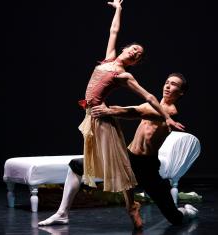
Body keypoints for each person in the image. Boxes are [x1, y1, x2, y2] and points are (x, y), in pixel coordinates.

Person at [73, 0, 184, 229]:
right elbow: (113, 31)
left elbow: (148, 99)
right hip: (99, 123)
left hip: (142, 159)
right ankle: (130, 206)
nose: (135, 52)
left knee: (171, 214)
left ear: (136, 62)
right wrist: (119, 9)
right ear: (124, 49)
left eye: (138, 55)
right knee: (98, 166)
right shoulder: (108, 60)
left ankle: (180, 213)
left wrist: (167, 118)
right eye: (133, 49)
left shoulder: (124, 76)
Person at [38, 73, 198, 228]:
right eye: (167, 82)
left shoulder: (170, 112)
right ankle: (62, 213)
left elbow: (137, 112)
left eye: (174, 84)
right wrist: (99, 106)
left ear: (181, 92)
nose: (168, 86)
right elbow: (129, 108)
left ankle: (187, 211)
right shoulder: (153, 104)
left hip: (147, 167)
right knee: (76, 165)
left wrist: (109, 111)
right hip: (127, 158)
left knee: (175, 218)